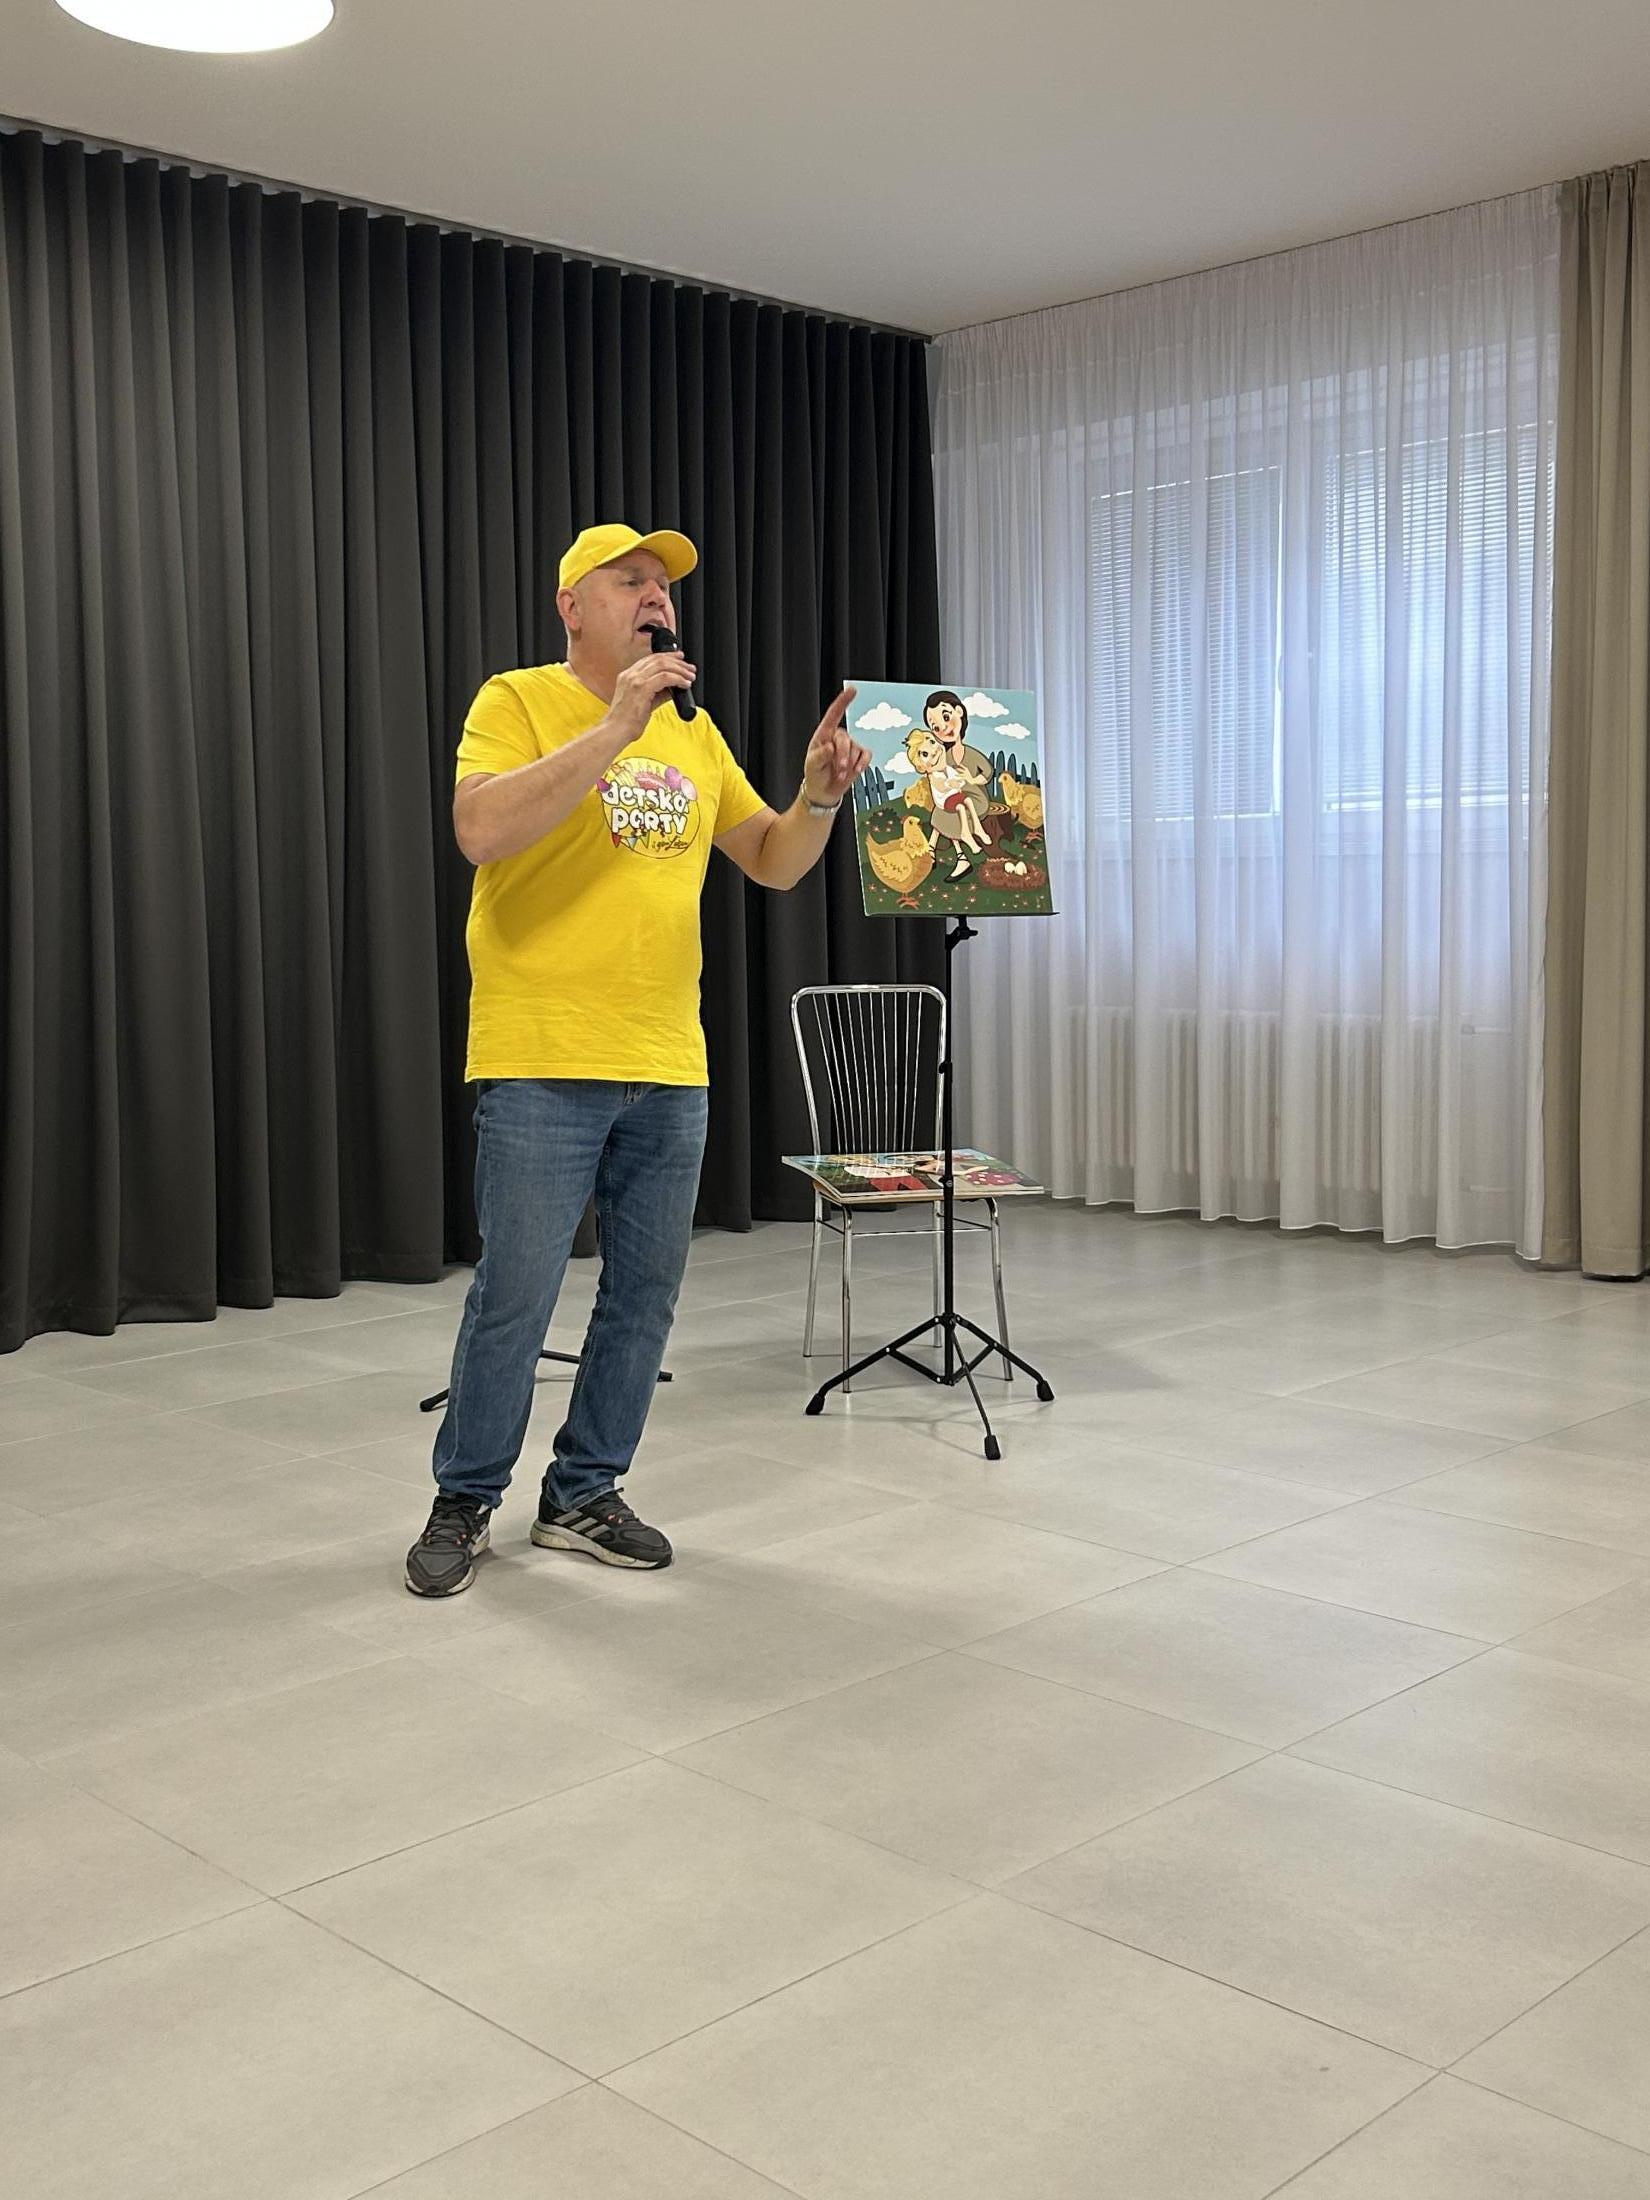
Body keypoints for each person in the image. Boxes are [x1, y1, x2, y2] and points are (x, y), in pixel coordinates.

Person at [406, 522, 869, 1596]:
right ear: (573, 605)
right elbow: (479, 830)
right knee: (516, 1296)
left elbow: (772, 861)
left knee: (644, 1297)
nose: (657, 597)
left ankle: (584, 1492)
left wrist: (817, 797)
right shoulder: (517, 700)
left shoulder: (694, 735)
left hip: (668, 1059)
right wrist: (615, 725)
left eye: (664, 585)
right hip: (542, 1052)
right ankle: (465, 1500)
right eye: (633, 581)